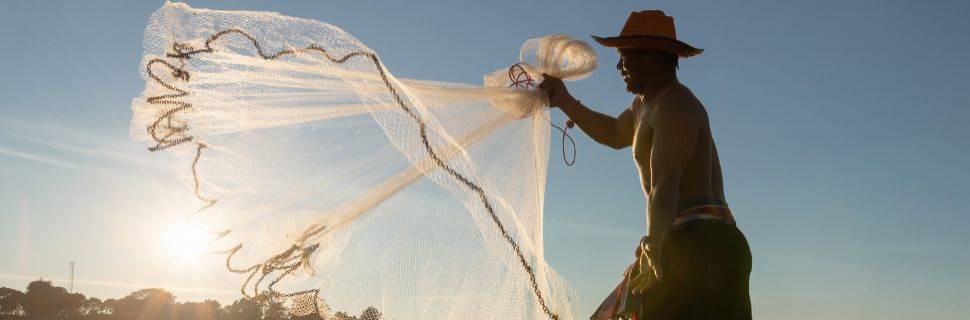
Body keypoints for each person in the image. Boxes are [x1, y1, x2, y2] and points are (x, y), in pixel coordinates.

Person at [539, 10, 752, 320]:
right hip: (679, 240)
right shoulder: (643, 105)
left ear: (651, 58)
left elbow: (665, 183)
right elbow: (613, 133)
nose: (618, 67)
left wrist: (653, 246)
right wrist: (564, 100)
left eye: (624, 57)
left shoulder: (675, 105)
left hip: (705, 244)